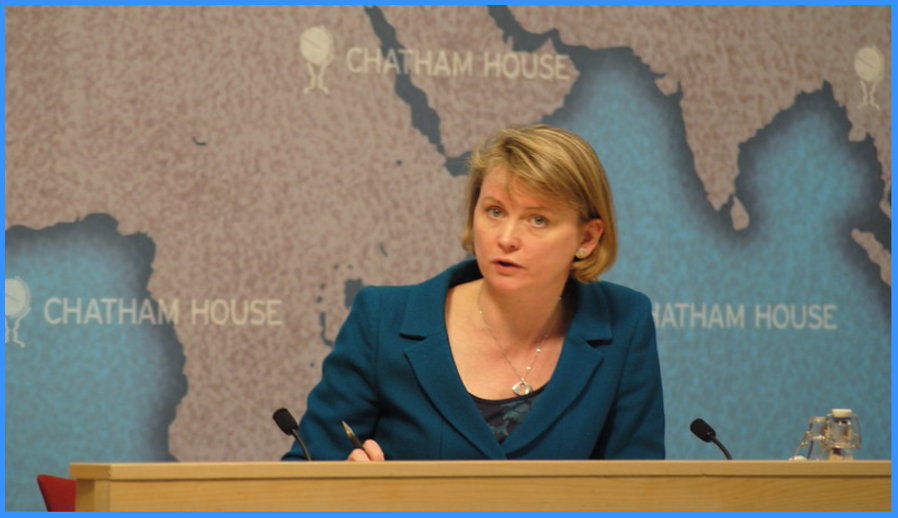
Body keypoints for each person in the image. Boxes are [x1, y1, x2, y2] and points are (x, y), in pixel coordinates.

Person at [283, 124, 665, 461]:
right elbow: (303, 475)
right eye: (495, 211)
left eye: (538, 219)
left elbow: (640, 492)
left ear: (587, 238)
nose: (507, 238)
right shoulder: (383, 319)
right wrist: (347, 491)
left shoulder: (624, 322)